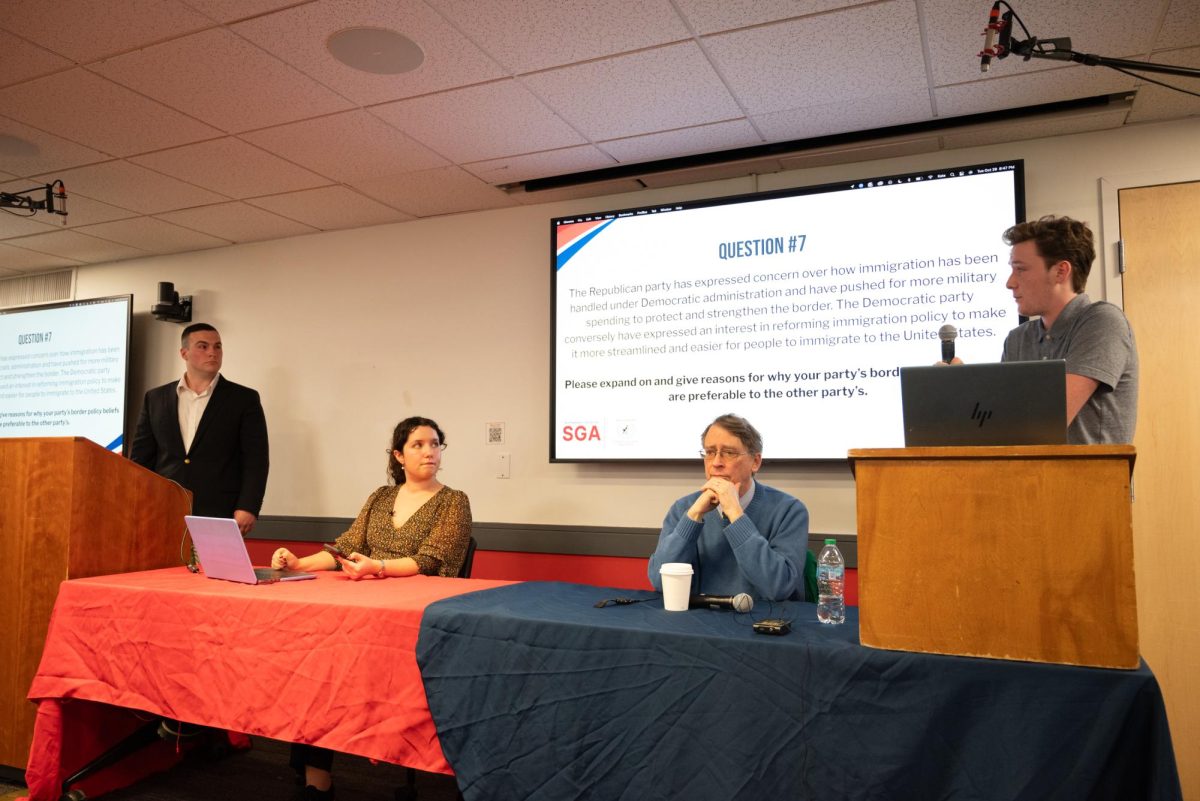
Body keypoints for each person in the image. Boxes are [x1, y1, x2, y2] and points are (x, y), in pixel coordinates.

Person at [271, 416, 472, 800]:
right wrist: (298, 564)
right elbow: (343, 548)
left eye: (435, 444)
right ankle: (317, 780)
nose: (429, 451)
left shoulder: (454, 501)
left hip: (411, 614)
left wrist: (378, 567)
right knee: (320, 668)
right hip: (361, 605)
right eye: (418, 445)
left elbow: (430, 561)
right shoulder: (381, 497)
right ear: (398, 455)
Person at [999, 215, 1138, 444]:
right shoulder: (1017, 339)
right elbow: (1003, 426)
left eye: (1020, 270)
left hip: (1088, 479)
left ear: (1061, 272)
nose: (1010, 282)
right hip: (1026, 478)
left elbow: (1046, 423)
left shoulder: (1102, 322)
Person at [649, 414, 813, 602]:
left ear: (755, 462)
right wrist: (693, 517)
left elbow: (778, 587)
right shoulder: (684, 508)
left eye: (729, 453)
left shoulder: (789, 510)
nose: (716, 462)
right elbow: (660, 582)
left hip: (762, 623)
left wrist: (735, 515)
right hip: (697, 622)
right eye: (710, 452)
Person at [130, 322, 269, 534]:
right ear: (184, 353)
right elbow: (141, 459)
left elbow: (256, 459)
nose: (212, 353)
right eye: (203, 346)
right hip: (163, 509)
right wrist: (136, 501)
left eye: (218, 347)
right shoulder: (156, 398)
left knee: (216, 568)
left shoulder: (243, 399)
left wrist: (248, 506)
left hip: (221, 510)